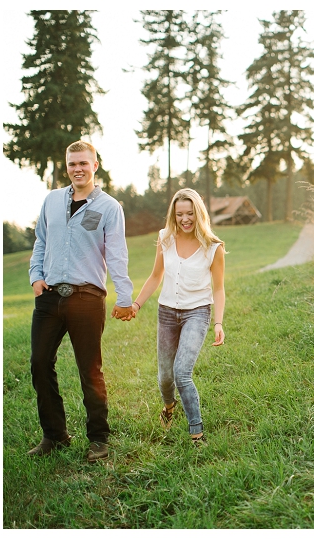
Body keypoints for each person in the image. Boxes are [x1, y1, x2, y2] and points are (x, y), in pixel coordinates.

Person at [28, 140, 134, 463]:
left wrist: (125, 296)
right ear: (67, 166)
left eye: (83, 163)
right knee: (39, 362)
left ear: (95, 166)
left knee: (90, 370)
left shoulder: (109, 208)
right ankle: (55, 435)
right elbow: (41, 241)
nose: (78, 169)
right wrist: (36, 275)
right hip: (49, 297)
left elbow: (116, 255)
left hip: (87, 298)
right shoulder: (51, 201)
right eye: (72, 163)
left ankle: (99, 439)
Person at [130, 188, 225, 444]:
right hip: (167, 312)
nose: (185, 219)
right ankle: (169, 406)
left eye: (190, 213)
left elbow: (218, 288)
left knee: (182, 372)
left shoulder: (213, 248)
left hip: (197, 312)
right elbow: (155, 276)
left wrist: (218, 323)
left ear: (199, 214)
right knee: (165, 378)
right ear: (173, 214)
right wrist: (137, 305)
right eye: (180, 214)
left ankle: (197, 432)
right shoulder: (166, 238)